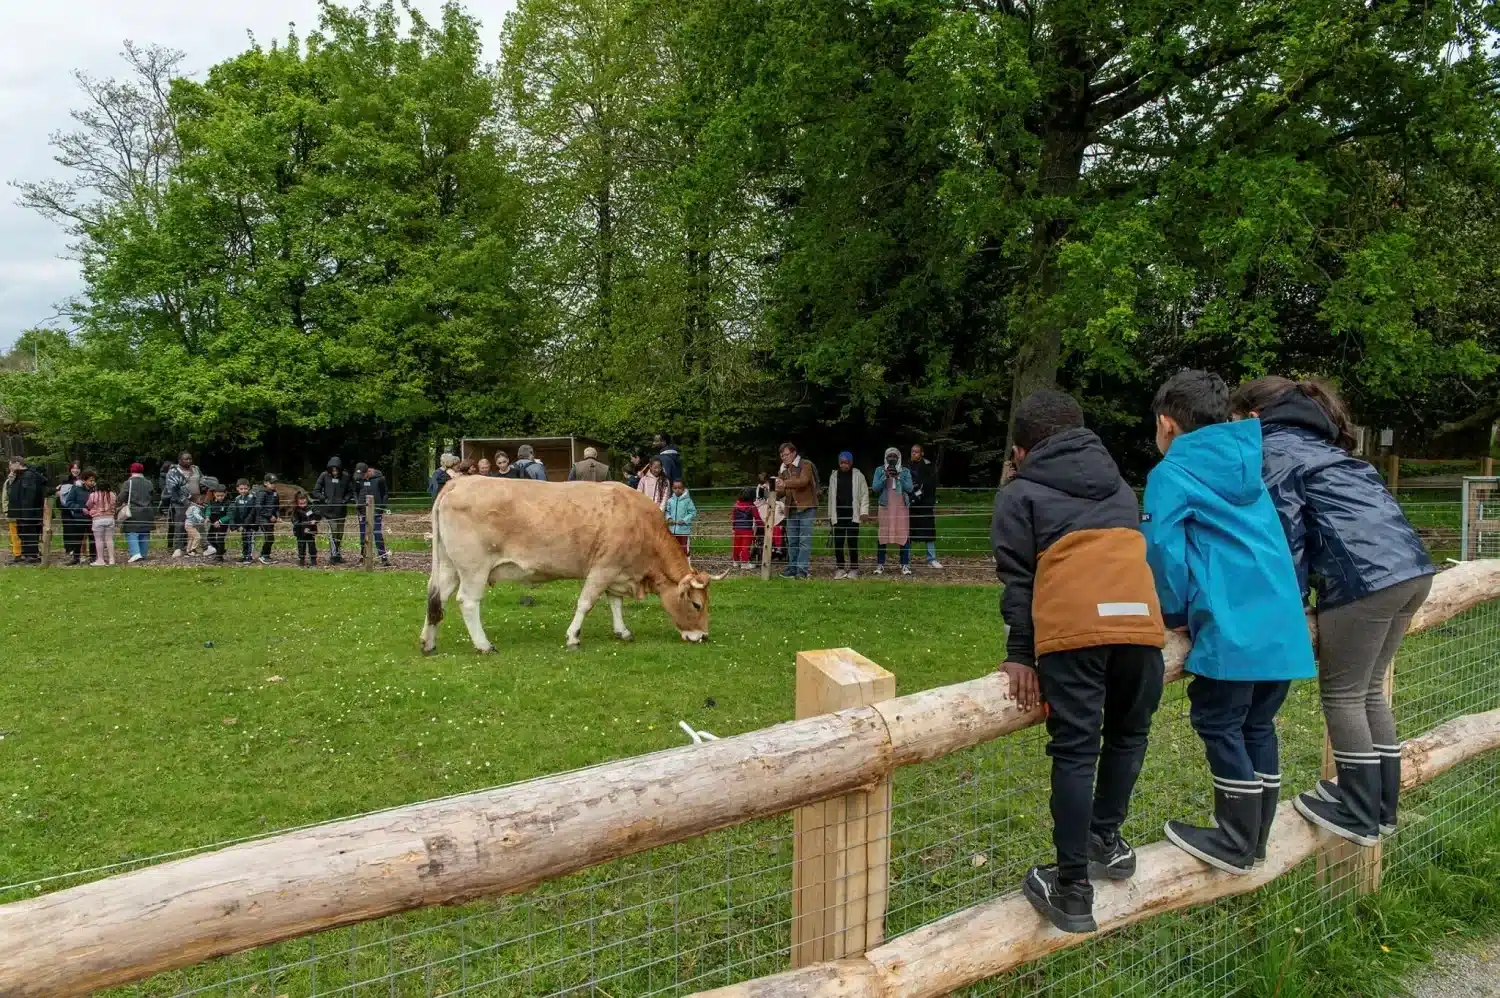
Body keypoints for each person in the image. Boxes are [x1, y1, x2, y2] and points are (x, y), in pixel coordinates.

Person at [1231, 376, 1436, 846]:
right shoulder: (1326, 448)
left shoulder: (1273, 450)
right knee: (1368, 692)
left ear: (1253, 416)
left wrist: (1294, 602)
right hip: (1412, 571)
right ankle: (1381, 808)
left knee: (1343, 694)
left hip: (1362, 579)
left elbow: (1285, 535)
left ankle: (1357, 810)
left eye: (1234, 420)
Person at [992, 389, 1167, 934]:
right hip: (1141, 624)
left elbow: (1019, 580)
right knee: (1129, 733)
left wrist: (1021, 653)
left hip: (1075, 631)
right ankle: (1105, 841)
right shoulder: (1118, 484)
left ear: (1022, 451)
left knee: (1074, 749)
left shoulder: (1020, 494)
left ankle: (1071, 889)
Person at [1144, 370, 1317, 876]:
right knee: (1257, 723)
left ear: (1166, 424)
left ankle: (1236, 840)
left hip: (1231, 627)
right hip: (1279, 623)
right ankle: (1256, 836)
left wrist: (1173, 614)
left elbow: (1162, 551)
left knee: (1218, 720)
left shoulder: (1172, 475)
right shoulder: (1251, 462)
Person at [774, 442, 817, 579]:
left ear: (793, 453)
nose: (784, 458)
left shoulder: (805, 465)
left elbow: (803, 481)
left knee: (804, 541)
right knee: (792, 541)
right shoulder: (782, 469)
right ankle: (792, 568)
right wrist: (773, 488)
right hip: (791, 509)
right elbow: (781, 492)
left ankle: (802, 571)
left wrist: (784, 483)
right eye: (781, 455)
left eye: (786, 454)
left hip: (806, 507)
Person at [827, 452, 869, 579]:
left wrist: (864, 512)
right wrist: (830, 515)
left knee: (852, 542)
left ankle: (854, 568)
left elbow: (864, 494)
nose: (844, 465)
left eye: (846, 462)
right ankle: (840, 568)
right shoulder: (834, 476)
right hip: (838, 514)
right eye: (841, 462)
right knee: (838, 542)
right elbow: (830, 497)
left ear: (851, 463)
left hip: (853, 515)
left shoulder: (858, 475)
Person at [871, 448, 913, 575]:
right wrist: (885, 476)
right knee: (883, 534)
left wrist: (898, 476)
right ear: (886, 457)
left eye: (895, 456)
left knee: (903, 534)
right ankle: (880, 564)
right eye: (890, 456)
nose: (892, 458)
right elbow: (875, 488)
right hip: (885, 506)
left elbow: (910, 488)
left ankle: (904, 564)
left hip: (901, 507)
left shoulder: (905, 471)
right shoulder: (879, 470)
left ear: (899, 458)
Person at [312, 456, 356, 564]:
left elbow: (350, 491)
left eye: (336, 469)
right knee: (333, 532)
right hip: (329, 511)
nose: (334, 472)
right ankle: (333, 555)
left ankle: (337, 553)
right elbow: (315, 491)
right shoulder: (324, 476)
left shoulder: (345, 477)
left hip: (341, 510)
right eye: (332, 469)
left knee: (339, 534)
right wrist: (324, 499)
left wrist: (345, 500)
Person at [5, 457, 46, 564]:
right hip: (20, 512)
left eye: (11, 464)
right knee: (22, 532)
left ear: (18, 463)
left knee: (30, 532)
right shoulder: (18, 476)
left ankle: (32, 555)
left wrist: (27, 512)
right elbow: (11, 492)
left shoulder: (29, 475)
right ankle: (26, 554)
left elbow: (29, 495)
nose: (10, 467)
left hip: (29, 512)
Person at [909, 443, 942, 569]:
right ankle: (906, 559)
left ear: (922, 453)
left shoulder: (928, 466)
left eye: (916, 452)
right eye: (912, 451)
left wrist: (921, 495)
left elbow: (930, 484)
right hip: (911, 504)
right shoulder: (907, 466)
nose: (914, 454)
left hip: (925, 504)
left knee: (929, 532)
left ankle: (931, 559)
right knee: (909, 532)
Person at [162, 452, 200, 558]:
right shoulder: (174, 472)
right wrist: (184, 500)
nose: (188, 461)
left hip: (196, 501)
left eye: (190, 459)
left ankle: (191, 548)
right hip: (179, 502)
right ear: (179, 460)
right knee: (180, 525)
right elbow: (171, 489)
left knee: (194, 524)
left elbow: (201, 481)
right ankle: (178, 548)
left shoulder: (196, 469)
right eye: (186, 459)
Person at [116, 463, 154, 563]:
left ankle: (136, 553)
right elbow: (151, 496)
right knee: (144, 533)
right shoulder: (149, 483)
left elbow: (121, 497)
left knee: (131, 533)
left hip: (133, 512)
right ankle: (143, 553)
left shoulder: (128, 483)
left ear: (131, 471)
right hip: (147, 511)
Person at [58, 462, 93, 565]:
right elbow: (68, 502)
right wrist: (80, 509)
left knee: (93, 538)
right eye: (90, 480)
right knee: (77, 537)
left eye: (93, 480)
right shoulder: (75, 487)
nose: (92, 482)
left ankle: (93, 557)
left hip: (92, 517)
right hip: (78, 516)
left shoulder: (94, 489)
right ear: (84, 480)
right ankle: (75, 557)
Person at [357, 464, 392, 566]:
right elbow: (356, 492)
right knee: (363, 535)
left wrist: (381, 507)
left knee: (377, 534)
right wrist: (358, 505)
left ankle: (383, 557)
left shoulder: (379, 479)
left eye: (364, 474)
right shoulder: (360, 480)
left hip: (376, 511)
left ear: (368, 472)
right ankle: (363, 557)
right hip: (363, 512)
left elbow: (385, 493)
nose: (362, 476)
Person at [82, 470, 117, 566]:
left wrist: (90, 510)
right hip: (110, 518)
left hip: (98, 519)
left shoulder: (93, 495)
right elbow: (114, 505)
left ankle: (100, 560)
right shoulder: (112, 495)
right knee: (109, 539)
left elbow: (88, 505)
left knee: (99, 540)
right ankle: (112, 559)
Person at [252, 474, 282, 564]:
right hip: (262, 519)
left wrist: (277, 515)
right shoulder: (261, 492)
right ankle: (263, 556)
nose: (274, 484)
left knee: (270, 537)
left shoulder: (275, 493)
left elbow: (276, 506)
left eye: (275, 483)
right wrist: (269, 516)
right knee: (269, 537)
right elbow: (258, 506)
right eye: (271, 483)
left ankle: (266, 555)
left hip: (270, 519)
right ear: (265, 483)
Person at [228, 479, 258, 564]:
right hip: (241, 524)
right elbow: (235, 513)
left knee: (250, 539)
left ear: (249, 488)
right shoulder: (237, 499)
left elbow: (252, 514)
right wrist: (235, 525)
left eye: (245, 488)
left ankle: (249, 557)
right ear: (237, 489)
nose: (243, 490)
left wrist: (244, 525)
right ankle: (245, 556)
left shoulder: (252, 498)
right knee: (244, 539)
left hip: (251, 524)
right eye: (241, 489)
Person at [731, 487, 763, 568]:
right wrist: (763, 526)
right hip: (747, 529)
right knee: (745, 546)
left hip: (737, 529)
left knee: (736, 545)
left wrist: (733, 528)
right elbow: (757, 518)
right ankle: (745, 563)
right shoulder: (752, 506)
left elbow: (733, 518)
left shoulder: (736, 505)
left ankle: (735, 561)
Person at [664, 480, 697, 554]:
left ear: (683, 489)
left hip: (683, 531)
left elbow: (693, 513)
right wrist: (669, 518)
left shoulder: (688, 501)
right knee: (672, 549)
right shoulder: (670, 501)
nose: (677, 490)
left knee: (684, 549)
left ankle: (686, 563)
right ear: (672, 489)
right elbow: (666, 511)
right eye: (675, 488)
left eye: (679, 488)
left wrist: (684, 520)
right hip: (672, 531)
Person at [202, 480, 231, 562]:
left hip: (222, 524)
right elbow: (208, 509)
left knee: (220, 539)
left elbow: (229, 515)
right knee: (210, 538)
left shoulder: (228, 503)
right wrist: (207, 517)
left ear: (225, 494)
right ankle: (220, 549)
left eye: (222, 496)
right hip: (213, 523)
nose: (220, 497)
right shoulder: (211, 502)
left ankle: (219, 557)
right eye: (218, 496)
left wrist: (220, 521)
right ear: (214, 494)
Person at [291, 493, 322, 567]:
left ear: (307, 500)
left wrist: (315, 520)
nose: (303, 504)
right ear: (297, 502)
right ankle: (301, 561)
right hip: (300, 532)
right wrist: (305, 526)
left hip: (310, 531)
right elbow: (295, 521)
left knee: (312, 546)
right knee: (301, 546)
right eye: (300, 503)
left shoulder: (311, 508)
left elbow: (318, 516)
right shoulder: (295, 510)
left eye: (304, 502)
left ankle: (313, 561)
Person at [1, 462, 19, 560]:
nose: (11, 467)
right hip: (12, 512)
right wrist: (6, 510)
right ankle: (17, 554)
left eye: (13, 465)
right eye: (10, 465)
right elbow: (5, 498)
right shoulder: (8, 482)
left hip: (24, 512)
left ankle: (29, 553)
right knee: (14, 534)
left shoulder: (24, 480)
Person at [184, 491, 207, 556]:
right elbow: (196, 514)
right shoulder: (195, 508)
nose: (202, 501)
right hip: (190, 525)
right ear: (196, 501)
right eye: (200, 499)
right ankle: (192, 549)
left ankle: (188, 551)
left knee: (191, 538)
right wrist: (201, 519)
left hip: (189, 525)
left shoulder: (191, 507)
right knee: (198, 537)